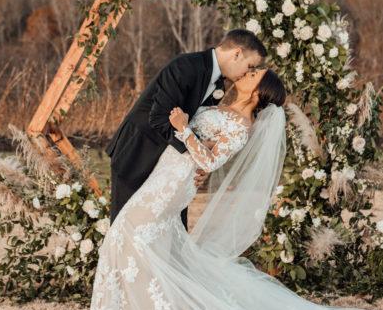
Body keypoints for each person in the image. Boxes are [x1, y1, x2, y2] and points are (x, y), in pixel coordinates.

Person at [89, 66, 383, 310]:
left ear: (258, 92)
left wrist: (183, 129)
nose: (247, 72)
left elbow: (208, 161)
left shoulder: (241, 127)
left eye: (254, 74)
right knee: (135, 241)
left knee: (126, 234)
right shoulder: (223, 108)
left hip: (172, 185)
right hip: (165, 176)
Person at [105, 29, 266, 231]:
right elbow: (159, 117)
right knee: (127, 229)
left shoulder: (218, 85)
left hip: (171, 167)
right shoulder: (186, 66)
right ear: (237, 53)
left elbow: (196, 127)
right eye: (250, 66)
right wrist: (194, 150)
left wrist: (201, 161)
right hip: (139, 153)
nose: (246, 73)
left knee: (171, 230)